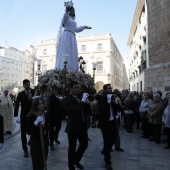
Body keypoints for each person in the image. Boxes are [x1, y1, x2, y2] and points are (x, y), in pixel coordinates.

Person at [55, 4, 91, 71]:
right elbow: (64, 21)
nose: (73, 11)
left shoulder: (74, 21)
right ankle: (64, 68)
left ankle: (72, 69)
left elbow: (76, 29)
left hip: (72, 37)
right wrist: (66, 11)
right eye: (72, 10)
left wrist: (84, 27)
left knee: (72, 52)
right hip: (66, 35)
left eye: (74, 10)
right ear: (69, 11)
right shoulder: (66, 17)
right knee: (66, 50)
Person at [63, 81, 89, 170]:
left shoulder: (79, 98)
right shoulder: (67, 99)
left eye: (78, 87)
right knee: (72, 148)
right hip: (73, 127)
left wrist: (87, 103)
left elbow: (85, 111)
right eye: (75, 87)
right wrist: (82, 101)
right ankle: (71, 167)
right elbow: (73, 111)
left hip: (82, 126)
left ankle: (76, 160)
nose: (78, 89)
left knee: (84, 144)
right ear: (70, 88)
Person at [97, 84, 117, 170]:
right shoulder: (101, 98)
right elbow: (103, 110)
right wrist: (108, 101)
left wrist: (115, 102)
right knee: (107, 141)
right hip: (105, 123)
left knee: (113, 138)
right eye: (109, 88)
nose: (110, 90)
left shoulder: (112, 97)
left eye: (111, 88)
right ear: (105, 89)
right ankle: (107, 162)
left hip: (112, 122)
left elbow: (118, 107)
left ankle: (105, 150)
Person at [14, 79, 35, 157]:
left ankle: (31, 142)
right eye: (26, 84)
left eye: (29, 84)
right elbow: (16, 105)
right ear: (23, 85)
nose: (28, 86)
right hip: (24, 116)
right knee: (23, 133)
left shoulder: (33, 92)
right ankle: (25, 150)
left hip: (32, 116)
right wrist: (16, 116)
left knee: (33, 130)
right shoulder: (20, 94)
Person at [26, 97, 49, 170]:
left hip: (44, 141)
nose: (42, 105)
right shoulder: (31, 116)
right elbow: (29, 131)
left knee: (43, 161)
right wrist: (35, 123)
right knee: (37, 164)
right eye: (39, 104)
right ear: (35, 106)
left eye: (42, 103)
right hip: (36, 143)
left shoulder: (45, 115)